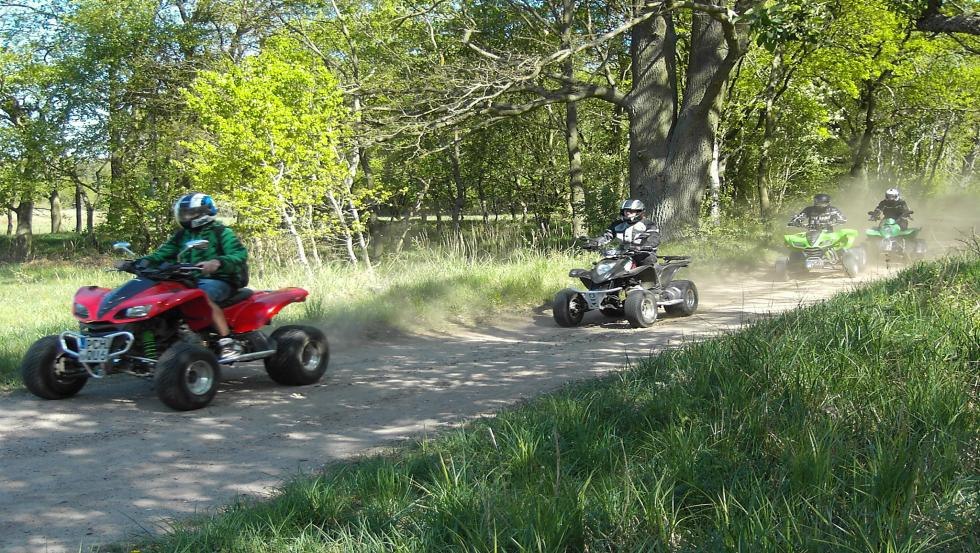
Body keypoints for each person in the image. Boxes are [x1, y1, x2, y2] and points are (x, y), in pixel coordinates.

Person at [119, 193, 248, 359]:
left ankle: (226, 341)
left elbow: (240, 254)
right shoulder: (183, 235)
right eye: (183, 212)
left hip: (219, 279)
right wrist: (136, 263)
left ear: (204, 212)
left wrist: (217, 262)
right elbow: (161, 254)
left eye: (190, 213)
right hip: (187, 279)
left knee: (201, 296)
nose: (185, 216)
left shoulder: (221, 232)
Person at [592, 199, 661, 267]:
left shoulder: (648, 224)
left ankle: (648, 278)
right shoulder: (617, 224)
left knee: (647, 260)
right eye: (626, 211)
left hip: (642, 253)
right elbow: (607, 236)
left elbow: (654, 238)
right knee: (604, 265)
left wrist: (642, 246)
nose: (628, 213)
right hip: (621, 253)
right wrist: (594, 242)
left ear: (638, 212)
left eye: (631, 211)